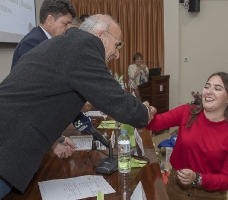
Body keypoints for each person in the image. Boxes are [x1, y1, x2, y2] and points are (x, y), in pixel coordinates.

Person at [0, 14, 155, 198]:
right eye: (117, 44)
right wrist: (144, 112)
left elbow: (45, 101)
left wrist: (55, 138)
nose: (117, 53)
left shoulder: (68, 45)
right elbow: (117, 101)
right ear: (100, 35)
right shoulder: (83, 47)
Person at [147, 72, 228, 199]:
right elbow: (153, 124)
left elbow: (227, 179)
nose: (209, 91)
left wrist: (197, 178)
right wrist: (146, 112)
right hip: (175, 188)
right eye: (207, 86)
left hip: (209, 195)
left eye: (217, 88)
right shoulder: (187, 112)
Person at [11, 0, 76, 69]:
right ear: (50, 20)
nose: (68, 28)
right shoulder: (31, 44)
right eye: (65, 24)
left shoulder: (49, 40)